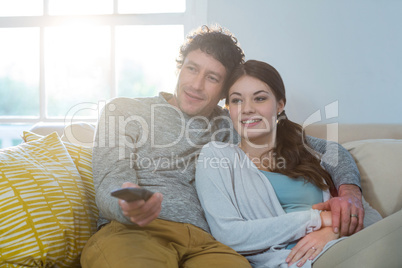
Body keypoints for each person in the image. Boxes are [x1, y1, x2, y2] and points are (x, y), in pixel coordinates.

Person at [81, 25, 365, 267]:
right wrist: (126, 203)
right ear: (179, 68)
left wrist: (350, 192)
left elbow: (328, 151)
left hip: (207, 243)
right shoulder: (125, 111)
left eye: (212, 78)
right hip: (134, 231)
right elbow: (110, 179)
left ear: (223, 93)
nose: (196, 84)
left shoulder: (235, 122)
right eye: (191, 69)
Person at [195, 60, 384, 268]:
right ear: (228, 109)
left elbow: (371, 219)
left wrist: (333, 230)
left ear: (280, 105)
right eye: (237, 101)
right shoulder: (217, 156)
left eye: (259, 98)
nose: (247, 109)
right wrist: (319, 220)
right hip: (296, 260)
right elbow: (229, 235)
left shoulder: (305, 150)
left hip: (343, 244)